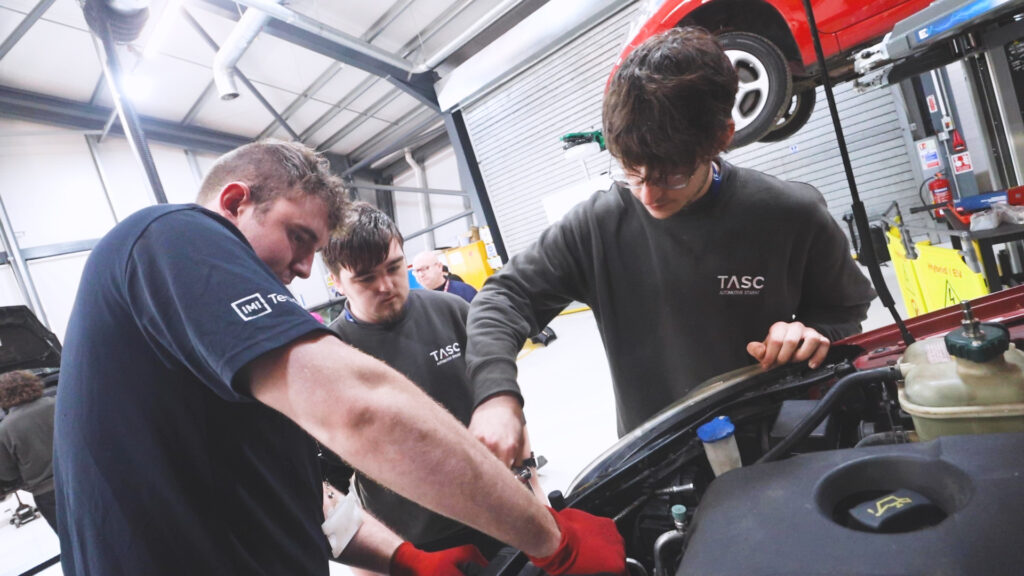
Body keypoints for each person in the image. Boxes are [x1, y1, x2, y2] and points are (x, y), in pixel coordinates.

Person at [53, 140, 626, 576]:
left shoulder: (235, 361)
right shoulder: (172, 234)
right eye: (299, 237)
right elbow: (362, 410)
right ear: (235, 201)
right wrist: (552, 541)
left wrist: (406, 560)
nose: (304, 268)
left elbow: (303, 491)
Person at [465, 27, 877, 465]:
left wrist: (810, 334)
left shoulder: (790, 213)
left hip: (775, 445)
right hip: (654, 462)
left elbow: (843, 313)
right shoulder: (599, 225)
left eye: (671, 175)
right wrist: (496, 394)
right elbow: (504, 297)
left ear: (721, 137)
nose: (648, 194)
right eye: (632, 172)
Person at [322, 204, 542, 565]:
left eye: (394, 267)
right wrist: (379, 562)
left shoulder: (453, 310)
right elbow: (331, 480)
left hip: (500, 512)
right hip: (416, 542)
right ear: (336, 280)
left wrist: (536, 495)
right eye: (365, 278)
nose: (386, 286)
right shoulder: (331, 355)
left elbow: (507, 410)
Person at [0, 370, 57, 531]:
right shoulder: (57, 403)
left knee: (73, 543)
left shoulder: (5, 429)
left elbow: (7, 474)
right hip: (83, 480)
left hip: (48, 494)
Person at [412, 250, 478, 303]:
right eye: (417, 271)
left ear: (439, 266)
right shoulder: (418, 302)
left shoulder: (464, 291)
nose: (421, 274)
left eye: (425, 268)